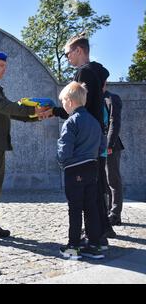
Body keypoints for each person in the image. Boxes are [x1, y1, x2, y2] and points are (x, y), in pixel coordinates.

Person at [0, 51, 49, 242]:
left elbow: (7, 112)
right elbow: (1, 106)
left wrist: (37, 116)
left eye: (5, 66)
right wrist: (31, 110)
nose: (5, 69)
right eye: (1, 65)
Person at [47, 33, 116, 247]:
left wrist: (55, 112)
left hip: (83, 145)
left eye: (68, 53)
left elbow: (76, 107)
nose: (67, 57)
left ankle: (90, 237)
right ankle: (101, 233)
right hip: (94, 138)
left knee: (86, 200)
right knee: (95, 192)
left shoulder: (84, 72)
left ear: (79, 50)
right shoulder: (95, 71)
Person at [57, 82, 105, 260]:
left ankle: (73, 246)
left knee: (75, 208)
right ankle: (94, 245)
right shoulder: (94, 121)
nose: (63, 105)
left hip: (74, 168)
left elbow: (65, 148)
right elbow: (102, 146)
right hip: (92, 167)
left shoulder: (71, 122)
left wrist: (62, 160)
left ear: (69, 101)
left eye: (63, 102)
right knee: (91, 207)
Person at [103, 85, 125, 226]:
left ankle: (115, 214)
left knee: (113, 180)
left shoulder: (113, 98)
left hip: (110, 146)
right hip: (98, 145)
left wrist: (109, 145)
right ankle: (107, 212)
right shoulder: (94, 99)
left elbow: (115, 123)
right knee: (103, 182)